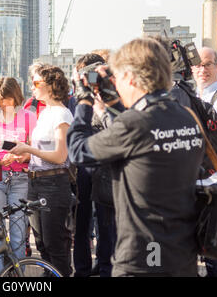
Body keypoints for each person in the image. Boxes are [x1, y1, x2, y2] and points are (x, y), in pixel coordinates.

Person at [67, 38, 205, 277]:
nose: (116, 86)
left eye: (117, 79)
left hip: (144, 256)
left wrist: (84, 101)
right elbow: (144, 130)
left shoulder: (136, 125)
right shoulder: (187, 117)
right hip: (181, 251)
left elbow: (79, 150)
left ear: (130, 78)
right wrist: (112, 103)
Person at [10, 65, 74, 277]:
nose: (32, 87)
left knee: (54, 244)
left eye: (37, 83)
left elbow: (60, 157)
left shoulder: (62, 114)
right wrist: (26, 155)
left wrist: (28, 149)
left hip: (54, 184)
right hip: (36, 182)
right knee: (41, 243)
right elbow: (44, 152)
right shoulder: (45, 112)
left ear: (51, 85)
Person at [0, 77, 37, 276]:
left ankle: (17, 274)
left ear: (16, 97)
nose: (6, 104)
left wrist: (21, 156)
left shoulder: (29, 117)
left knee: (19, 230)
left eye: (9, 99)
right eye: (2, 100)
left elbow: (33, 150)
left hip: (19, 177)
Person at [71, 53, 117, 277]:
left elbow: (119, 132)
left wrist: (104, 106)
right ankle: (82, 269)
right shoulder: (78, 98)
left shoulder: (113, 97)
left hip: (107, 166)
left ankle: (105, 266)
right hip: (84, 166)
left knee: (106, 223)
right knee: (82, 222)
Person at [192, 47, 217, 277]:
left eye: (207, 64)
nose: (202, 70)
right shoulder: (195, 97)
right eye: (197, 65)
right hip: (202, 185)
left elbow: (199, 132)